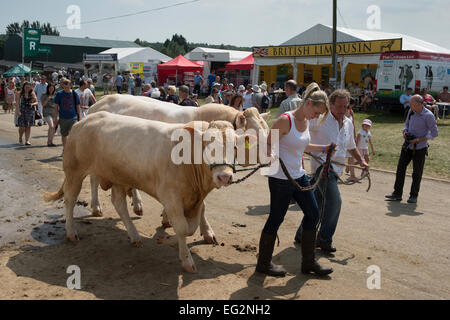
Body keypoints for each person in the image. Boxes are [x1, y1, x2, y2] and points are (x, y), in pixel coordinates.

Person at [257, 82, 334, 277]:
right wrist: (272, 155)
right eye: (316, 112)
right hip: (280, 179)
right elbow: (268, 144)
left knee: (313, 214)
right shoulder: (285, 120)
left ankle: (308, 263)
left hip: (299, 176)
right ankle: (263, 263)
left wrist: (324, 149)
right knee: (276, 218)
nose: (316, 117)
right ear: (308, 103)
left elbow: (303, 146)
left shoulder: (306, 122)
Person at [295, 89, 369, 252]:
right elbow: (301, 124)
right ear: (330, 104)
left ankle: (302, 234)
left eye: (345, 106)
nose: (342, 110)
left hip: (337, 169)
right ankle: (324, 238)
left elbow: (351, 146)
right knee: (335, 202)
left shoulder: (348, 122)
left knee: (317, 205)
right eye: (339, 106)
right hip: (323, 167)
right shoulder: (320, 118)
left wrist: (361, 161)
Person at [386, 95, 438, 204]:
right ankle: (397, 193)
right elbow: (406, 124)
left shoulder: (428, 116)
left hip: (420, 148)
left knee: (417, 173)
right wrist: (404, 132)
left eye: (412, 103)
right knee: (400, 169)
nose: (409, 105)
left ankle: (413, 196)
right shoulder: (411, 111)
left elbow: (434, 133)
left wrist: (419, 140)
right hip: (407, 146)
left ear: (419, 104)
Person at [53, 79, 81, 151]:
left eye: (68, 87)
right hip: (63, 118)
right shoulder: (59, 94)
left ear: (70, 86)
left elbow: (78, 106)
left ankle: (71, 149)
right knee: (64, 135)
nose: (66, 89)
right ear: (62, 86)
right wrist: (55, 118)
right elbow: (56, 107)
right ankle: (65, 149)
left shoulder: (74, 94)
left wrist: (79, 117)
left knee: (73, 134)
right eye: (65, 87)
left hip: (73, 117)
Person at [345, 98, 358, 181]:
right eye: (352, 104)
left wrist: (354, 135)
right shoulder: (343, 111)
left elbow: (352, 124)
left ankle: (352, 175)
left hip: (349, 136)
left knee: (351, 155)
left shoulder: (351, 112)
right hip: (344, 136)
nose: (352, 106)